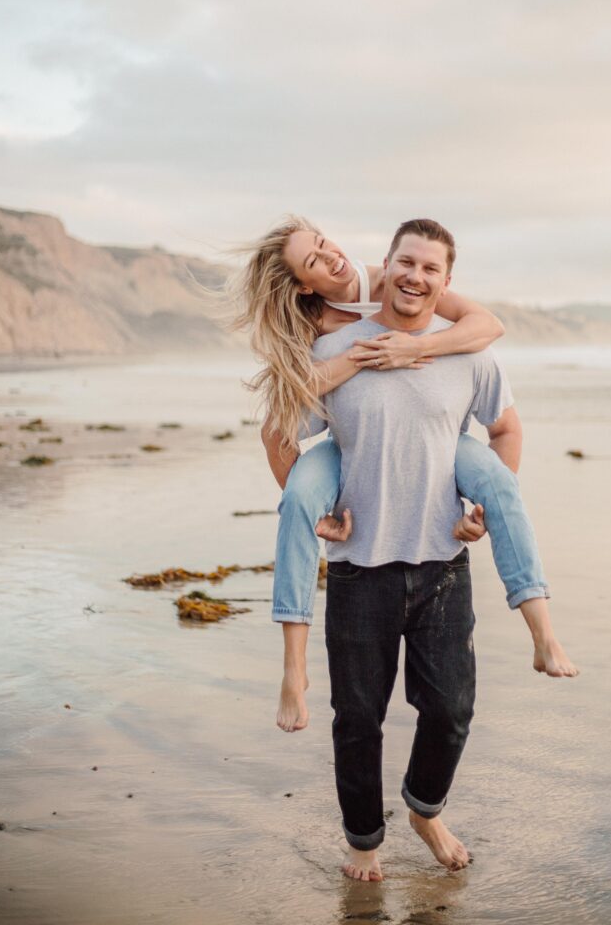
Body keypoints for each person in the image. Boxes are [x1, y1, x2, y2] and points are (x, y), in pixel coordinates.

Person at [228, 215, 577, 735]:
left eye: (323, 243)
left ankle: (543, 633)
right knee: (298, 500)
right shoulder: (310, 323)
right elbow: (282, 418)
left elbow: (486, 325)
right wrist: (360, 357)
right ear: (302, 285)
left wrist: (415, 347)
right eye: (313, 261)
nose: (331, 257)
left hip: (439, 443)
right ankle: (293, 670)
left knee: (501, 484)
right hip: (345, 444)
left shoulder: (384, 276)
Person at [303, 219, 576, 881]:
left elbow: (506, 429)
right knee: (357, 720)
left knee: (451, 710)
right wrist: (315, 516)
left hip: (442, 565)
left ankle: (424, 811)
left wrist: (482, 507)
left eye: (430, 268)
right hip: (358, 570)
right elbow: (282, 431)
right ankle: (363, 843)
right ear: (385, 265)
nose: (415, 276)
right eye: (406, 262)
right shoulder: (335, 350)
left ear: (446, 281)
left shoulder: (470, 356)